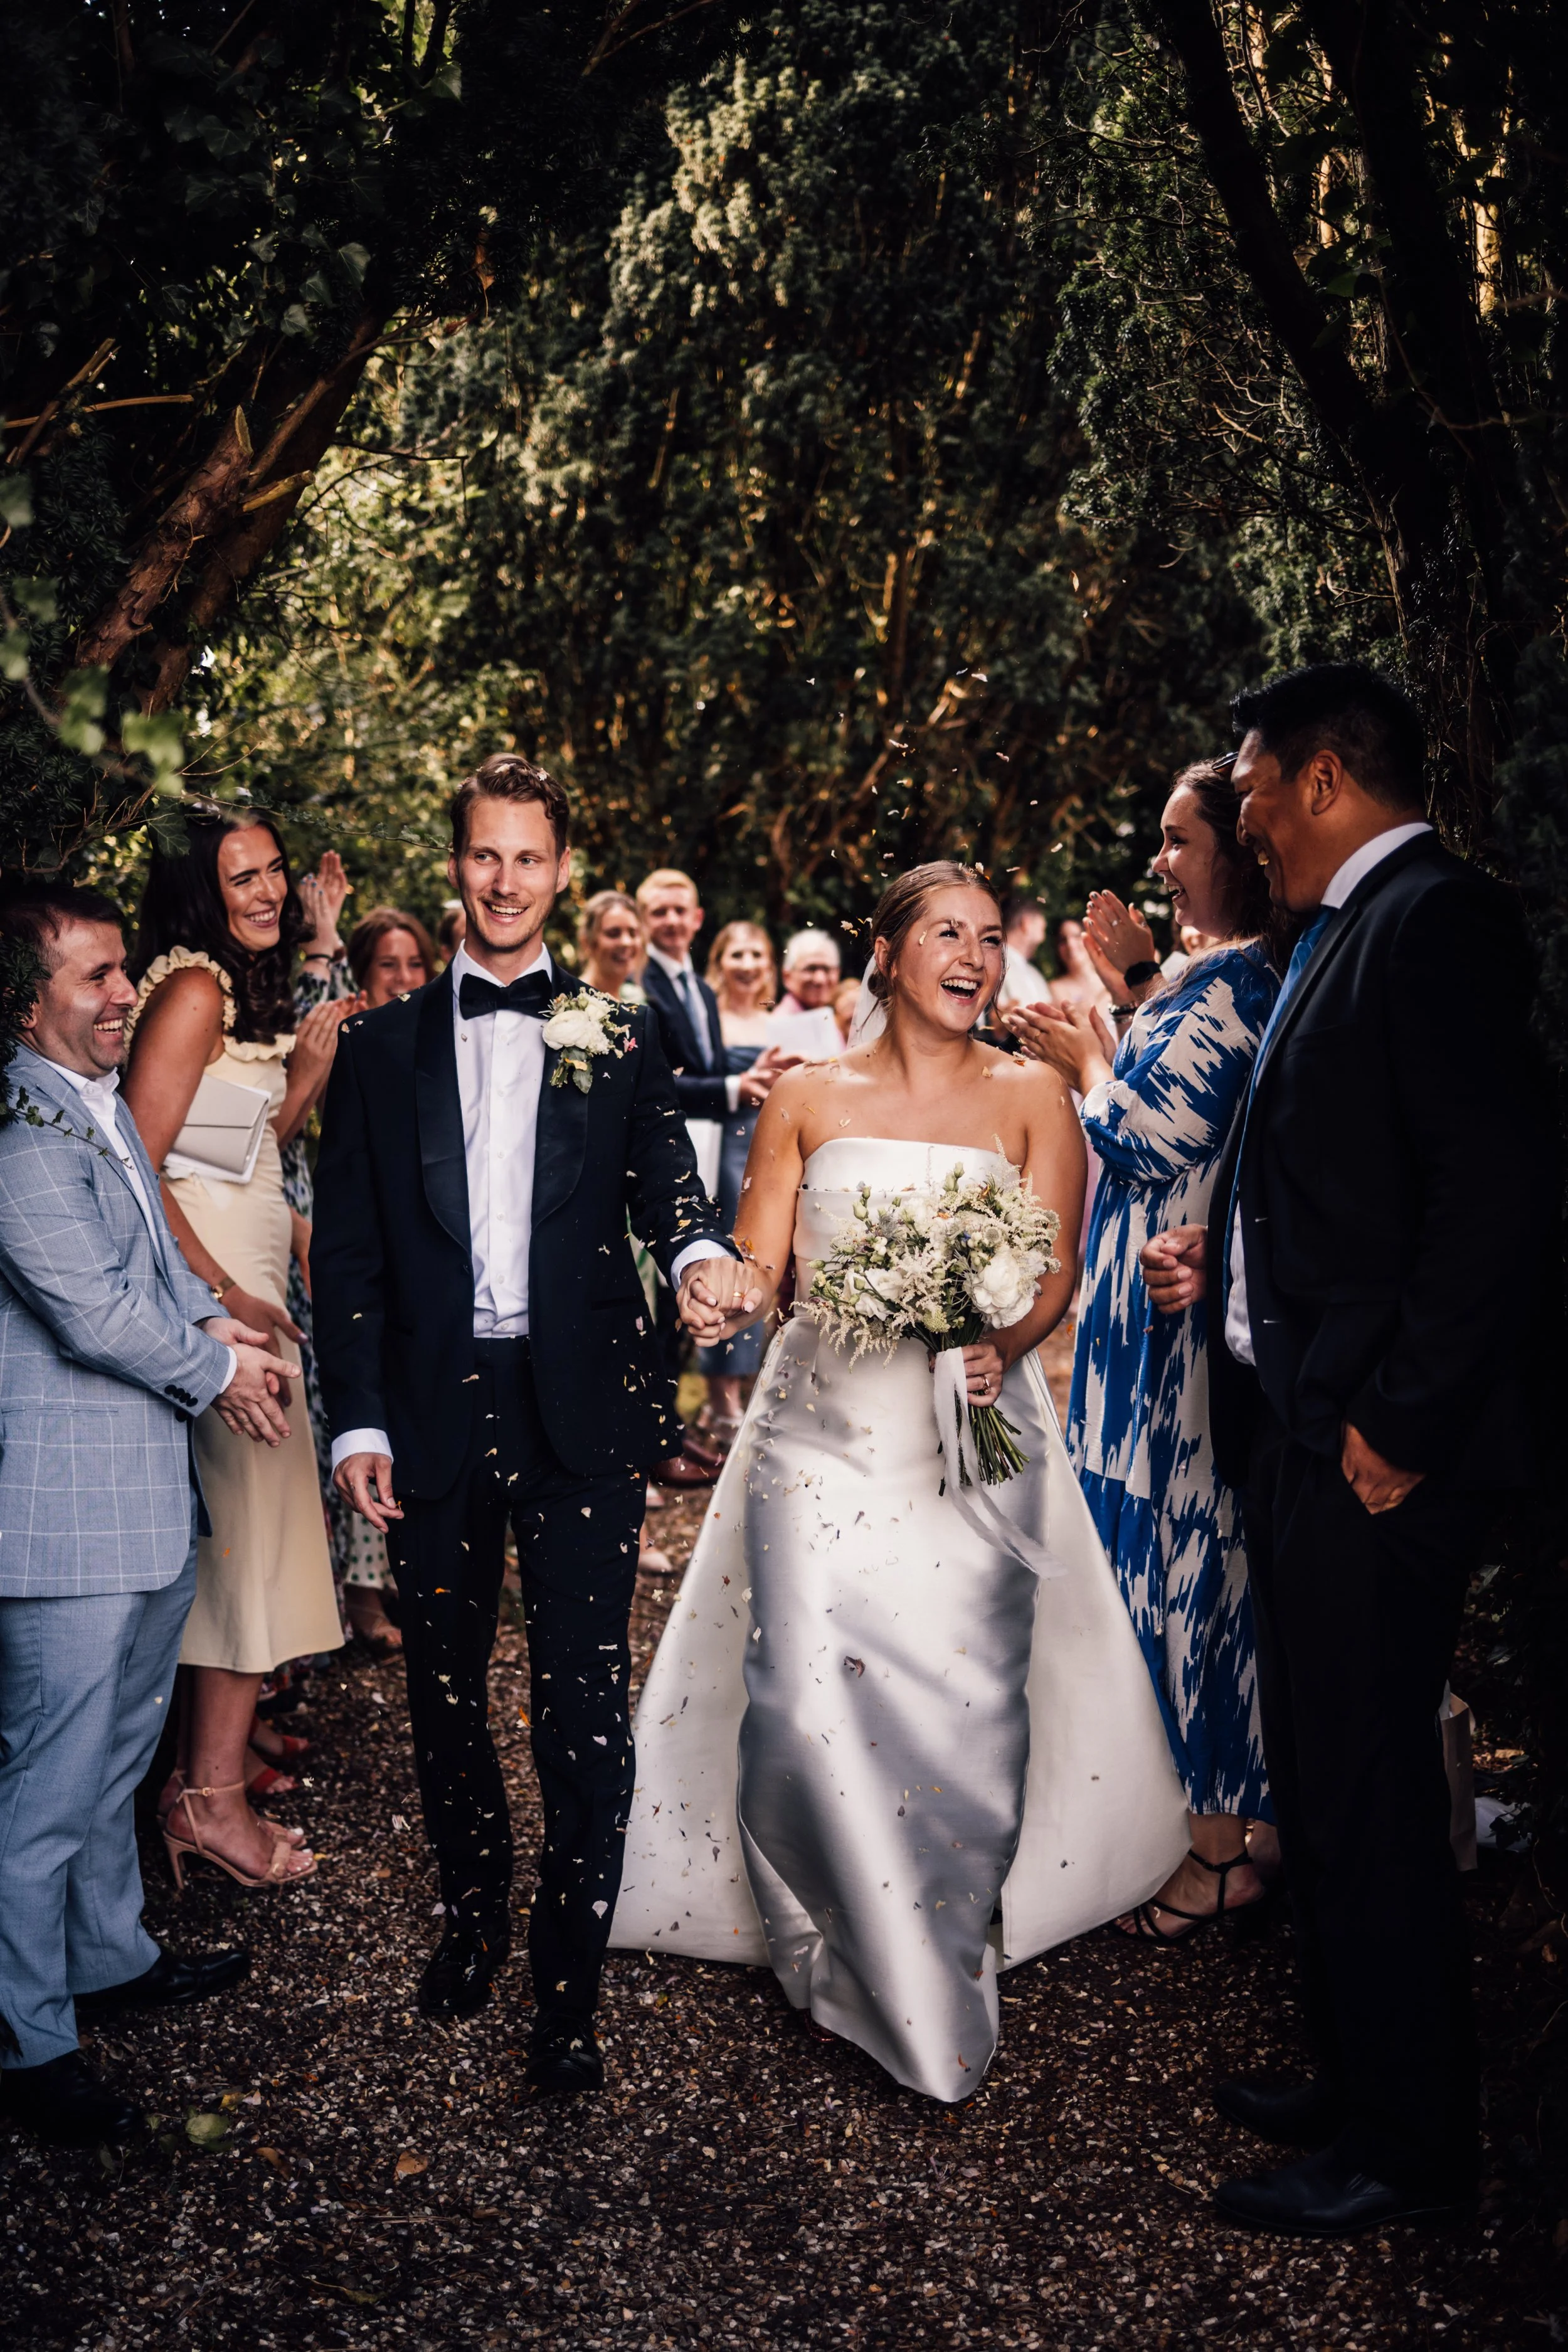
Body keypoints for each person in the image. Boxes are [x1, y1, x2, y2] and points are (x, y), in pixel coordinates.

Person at [612, 863, 1188, 2102]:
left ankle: (931, 1948)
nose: (972, 956)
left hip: (975, 1439)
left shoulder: (1034, 1094)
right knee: (805, 1689)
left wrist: (1001, 1341)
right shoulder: (804, 1098)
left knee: (967, 1704)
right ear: (884, 951)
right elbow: (761, 1264)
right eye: (944, 933)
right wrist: (717, 1287)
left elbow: (1050, 1273)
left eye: (988, 937)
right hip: (817, 1434)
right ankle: (829, 1944)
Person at [1141, 664, 1555, 2237]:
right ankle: (1353, 2072)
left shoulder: (1437, 918)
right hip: (1299, 1424)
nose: (1240, 817)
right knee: (1322, 1775)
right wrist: (1223, 1273)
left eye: (1249, 787)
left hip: (1375, 1447)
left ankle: (1409, 2143)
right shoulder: (1338, 930)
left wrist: (1399, 1426)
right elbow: (1334, 1177)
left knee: (1373, 1790)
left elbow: (1497, 1196)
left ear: (1320, 776)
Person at [310, 754, 753, 2095]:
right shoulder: (379, 1050)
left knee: (579, 1711)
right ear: (455, 866)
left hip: (582, 1416)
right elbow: (348, 1261)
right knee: (443, 1701)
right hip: (434, 1416)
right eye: (483, 855)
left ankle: (568, 1987)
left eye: (529, 858)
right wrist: (355, 1427)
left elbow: (670, 1198)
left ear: (562, 873)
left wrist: (697, 1267)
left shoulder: (618, 1034)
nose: (505, 881)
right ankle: (472, 1918)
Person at [0, 885, 294, 2148]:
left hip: (138, 1495)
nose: (125, 994)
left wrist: (215, 1313)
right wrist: (220, 1368)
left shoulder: (95, 1106)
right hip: (58, 1515)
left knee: (118, 1756)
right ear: (27, 1000)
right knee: (47, 1784)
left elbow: (151, 1266)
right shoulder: (15, 1129)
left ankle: (110, 1954)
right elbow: (86, 1308)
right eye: (96, 977)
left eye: (124, 971)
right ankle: (28, 2034)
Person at [1007, 761, 1284, 1939]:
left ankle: (1222, 1849)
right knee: (1137, 1571)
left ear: (1236, 851)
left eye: (1178, 840)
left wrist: (1084, 1063)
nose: (1158, 861)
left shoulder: (1237, 987)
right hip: (1136, 1320)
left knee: (1187, 1572)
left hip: (1174, 1339)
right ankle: (1168, 1813)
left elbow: (1146, 1133)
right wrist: (1127, 989)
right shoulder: (1205, 976)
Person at [124, 811, 345, 1888]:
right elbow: (136, 1165)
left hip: (251, 1289)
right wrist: (220, 1293)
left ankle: (202, 1791)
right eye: (240, 877)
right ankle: (204, 1803)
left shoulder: (220, 986)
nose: (266, 890)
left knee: (250, 1548)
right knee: (240, 1556)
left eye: (272, 872)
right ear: (198, 893)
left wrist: (303, 1074)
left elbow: (243, 1148)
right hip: (213, 1304)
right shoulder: (191, 993)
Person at [636, 868, 788, 1490]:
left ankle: (670, 1431)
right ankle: (659, 1434)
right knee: (657, 1299)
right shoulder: (641, 986)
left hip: (701, 1146)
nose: (671, 921)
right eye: (660, 911)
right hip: (665, 1154)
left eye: (681, 910)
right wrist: (733, 1087)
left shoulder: (694, 986)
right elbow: (654, 1080)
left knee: (700, 1280)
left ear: (697, 918)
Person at [694, 920, 778, 1441]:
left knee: (765, 1262)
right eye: (737, 954)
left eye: (757, 955)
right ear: (720, 961)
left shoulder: (782, 1020)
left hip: (772, 1147)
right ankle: (719, 1399)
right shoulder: (710, 1020)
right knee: (728, 1255)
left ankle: (749, 1389)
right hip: (726, 1149)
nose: (747, 964)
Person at [577, 890, 646, 1001]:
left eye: (633, 933)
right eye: (613, 934)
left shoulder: (636, 998)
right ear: (587, 942)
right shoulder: (573, 1002)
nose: (626, 942)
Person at [1000, 894, 1051, 1007]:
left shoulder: (1034, 973)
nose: (1044, 937)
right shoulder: (996, 963)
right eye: (1043, 928)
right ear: (1026, 924)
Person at [776, 927, 841, 1015]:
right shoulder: (782, 1022)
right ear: (787, 976)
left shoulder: (839, 1018)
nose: (820, 979)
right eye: (811, 969)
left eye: (827, 969)